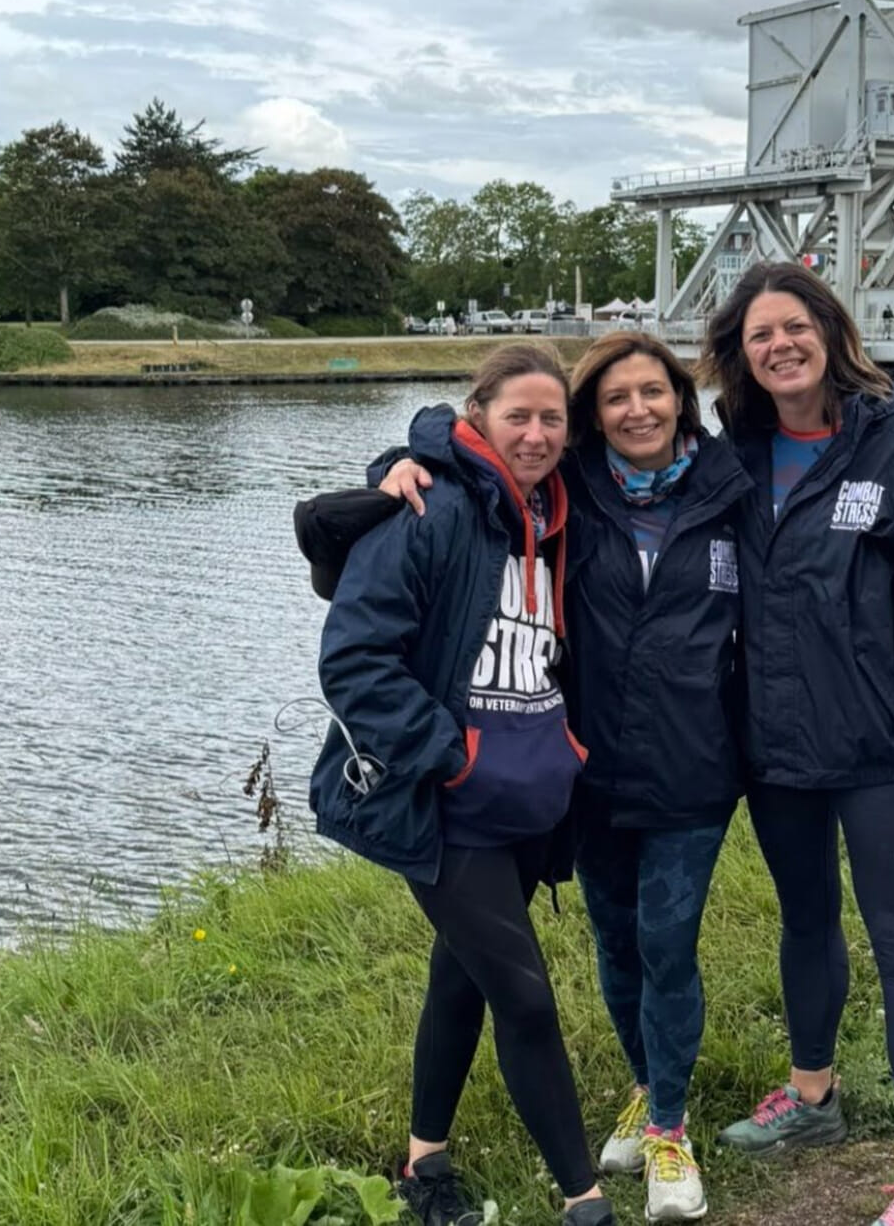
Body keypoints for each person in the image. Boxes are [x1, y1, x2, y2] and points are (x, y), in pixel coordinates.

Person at [380, 332, 753, 1222]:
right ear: (597, 416)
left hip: (694, 769)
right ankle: (644, 1087)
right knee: (616, 943)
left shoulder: (730, 488)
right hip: (590, 773)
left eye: (653, 391)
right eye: (616, 397)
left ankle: (668, 1128)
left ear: (681, 398)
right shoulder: (570, 489)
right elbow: (475, 448)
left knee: (667, 944)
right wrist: (400, 457)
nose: (637, 409)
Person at [700, 262, 894, 1226]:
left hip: (878, 745)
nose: (779, 345)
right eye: (759, 335)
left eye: (794, 326)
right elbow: (600, 447)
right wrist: (423, 448)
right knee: (804, 920)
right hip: (776, 743)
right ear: (741, 356)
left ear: (829, 330)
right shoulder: (734, 453)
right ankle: (813, 1095)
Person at [312, 343, 616, 1226]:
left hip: (529, 798)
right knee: (524, 994)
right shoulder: (429, 508)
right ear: (477, 412)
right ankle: (585, 1201)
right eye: (517, 415)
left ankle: (425, 1161)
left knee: (463, 974)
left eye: (552, 418)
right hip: (447, 805)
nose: (536, 433)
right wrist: (451, 757)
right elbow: (354, 661)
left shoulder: (557, 509)